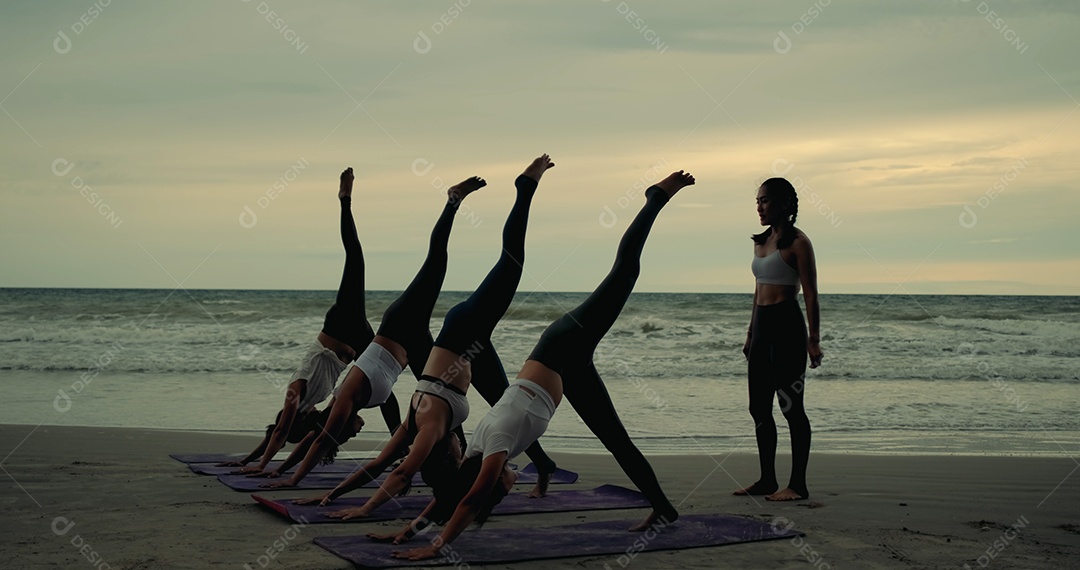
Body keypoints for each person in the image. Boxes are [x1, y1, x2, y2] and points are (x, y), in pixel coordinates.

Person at [382, 170, 696, 562]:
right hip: (567, 372)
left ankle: (655, 197)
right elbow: (455, 496)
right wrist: (411, 528)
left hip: (561, 347)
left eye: (507, 484)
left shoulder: (493, 447)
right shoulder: (482, 449)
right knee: (616, 440)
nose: (516, 482)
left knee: (623, 272)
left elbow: (469, 500)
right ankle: (664, 507)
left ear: (495, 477)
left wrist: (434, 546)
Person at [272, 155, 554, 501]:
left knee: (436, 262)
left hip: (399, 325)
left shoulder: (344, 403)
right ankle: (539, 465)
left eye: (349, 434)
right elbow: (386, 444)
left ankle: (452, 201)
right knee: (487, 394)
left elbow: (319, 441)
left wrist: (288, 477)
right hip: (418, 347)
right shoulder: (401, 416)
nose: (356, 432)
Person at [219, 167, 400, 473]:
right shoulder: (313, 408)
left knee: (355, 258)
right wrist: (248, 459)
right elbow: (275, 434)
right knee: (385, 384)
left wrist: (262, 466)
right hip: (354, 339)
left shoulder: (294, 395)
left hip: (341, 325)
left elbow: (277, 433)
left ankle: (344, 198)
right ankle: (401, 440)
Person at [733, 177, 822, 502]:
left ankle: (797, 485)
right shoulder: (761, 242)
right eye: (758, 200)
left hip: (787, 327)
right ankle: (767, 479)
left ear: (784, 203)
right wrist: (750, 332)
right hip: (762, 328)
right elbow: (758, 289)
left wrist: (814, 340)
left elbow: (811, 295)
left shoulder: (798, 242)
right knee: (758, 407)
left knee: (790, 407)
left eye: (766, 200)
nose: (760, 206)